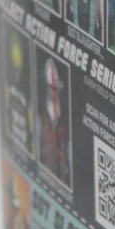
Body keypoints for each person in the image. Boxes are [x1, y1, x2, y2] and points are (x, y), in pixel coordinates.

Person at [39, 57, 70, 185]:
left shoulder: (63, 125)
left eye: (55, 88)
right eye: (51, 88)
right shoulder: (43, 119)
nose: (53, 92)